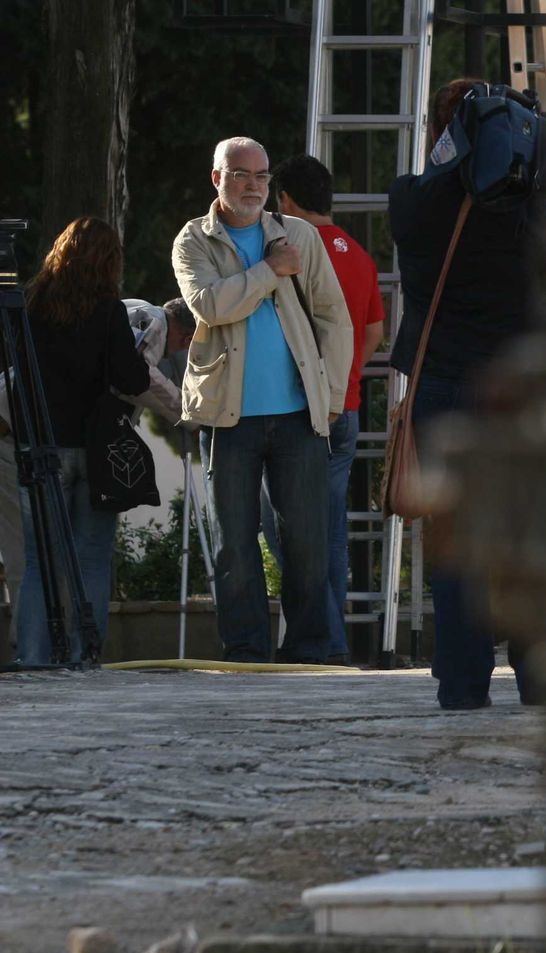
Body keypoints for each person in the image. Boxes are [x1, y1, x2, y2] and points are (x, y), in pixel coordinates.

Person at [389, 78, 546, 710]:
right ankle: (538, 678)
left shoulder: (410, 200)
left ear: (440, 133)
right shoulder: (522, 207)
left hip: (444, 385)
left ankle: (462, 683)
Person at [172, 136, 353, 664]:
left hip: (299, 414)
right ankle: (245, 650)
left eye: (262, 177)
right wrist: (268, 271)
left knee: (306, 542)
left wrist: (333, 394)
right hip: (229, 416)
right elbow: (210, 304)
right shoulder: (193, 240)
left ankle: (310, 649)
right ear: (217, 179)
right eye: (241, 175)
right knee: (235, 545)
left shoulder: (297, 234)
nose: (254, 186)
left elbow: (334, 318)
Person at [263, 153, 386, 666]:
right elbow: (376, 332)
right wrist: (344, 376)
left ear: (285, 200)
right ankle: (331, 640)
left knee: (285, 529)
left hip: (301, 410)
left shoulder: (293, 250)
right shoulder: (358, 253)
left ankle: (320, 641)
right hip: (348, 408)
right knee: (331, 531)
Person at [13, 217, 154, 663]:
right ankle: (83, 655)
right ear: (110, 261)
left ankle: (34, 657)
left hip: (40, 444)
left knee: (40, 562)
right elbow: (130, 379)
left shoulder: (30, 304)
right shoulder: (109, 309)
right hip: (95, 450)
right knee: (92, 558)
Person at [121, 296, 191, 424]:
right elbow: (141, 374)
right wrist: (191, 415)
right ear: (187, 340)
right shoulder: (155, 325)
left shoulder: (142, 305)